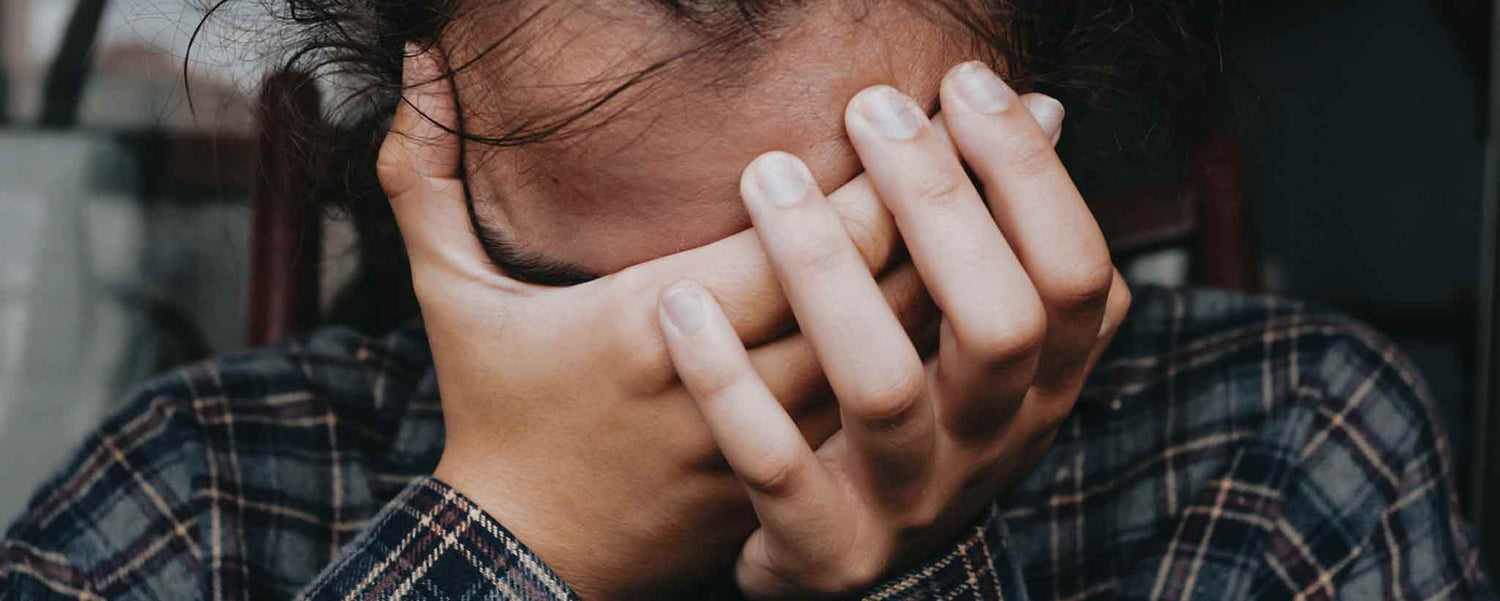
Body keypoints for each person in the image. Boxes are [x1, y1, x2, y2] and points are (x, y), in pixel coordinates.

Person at [1, 1, 1492, 599]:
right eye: (590, 302)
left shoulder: (1280, 446)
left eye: (857, 285)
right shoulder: (202, 488)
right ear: (421, 172)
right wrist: (511, 529)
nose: (713, 406)